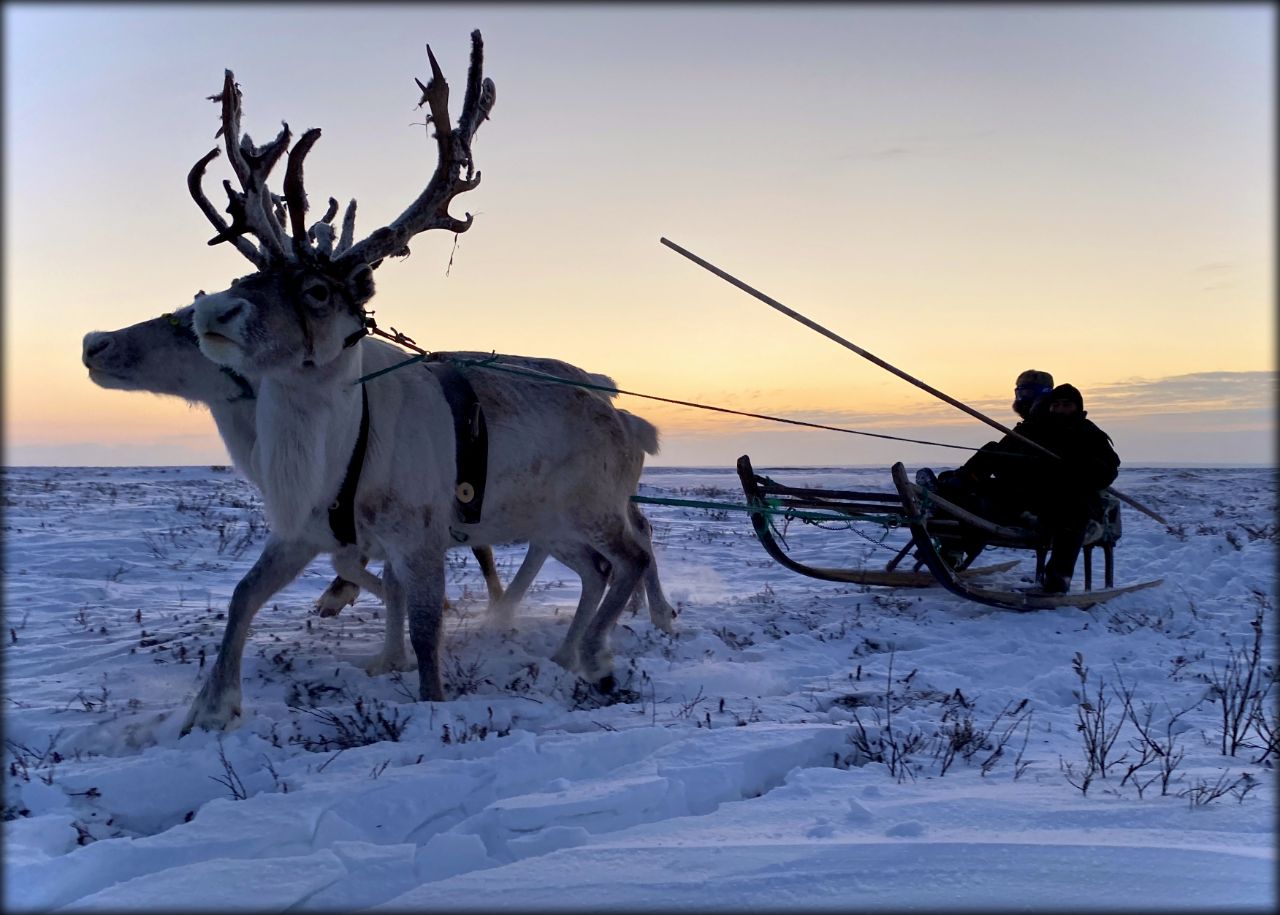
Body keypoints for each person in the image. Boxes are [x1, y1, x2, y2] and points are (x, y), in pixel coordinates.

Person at [919, 375, 1120, 593]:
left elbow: (1107, 471)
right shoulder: (1033, 429)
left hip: (1064, 499)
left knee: (1073, 512)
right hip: (1024, 494)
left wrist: (1077, 465)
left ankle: (1057, 579)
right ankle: (949, 494)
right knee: (989, 459)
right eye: (1056, 405)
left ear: (1078, 408)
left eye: (1067, 405)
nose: (1061, 410)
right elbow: (1004, 456)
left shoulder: (1089, 433)